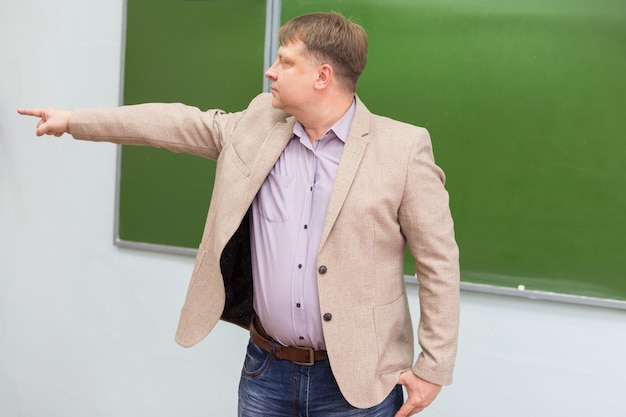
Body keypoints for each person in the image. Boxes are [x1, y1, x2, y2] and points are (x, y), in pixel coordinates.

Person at [18, 11, 460, 417]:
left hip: (360, 382)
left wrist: (433, 367)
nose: (270, 71)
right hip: (266, 372)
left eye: (285, 62)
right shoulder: (256, 124)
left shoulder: (402, 149)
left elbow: (438, 263)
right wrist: (75, 120)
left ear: (322, 76)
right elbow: (176, 123)